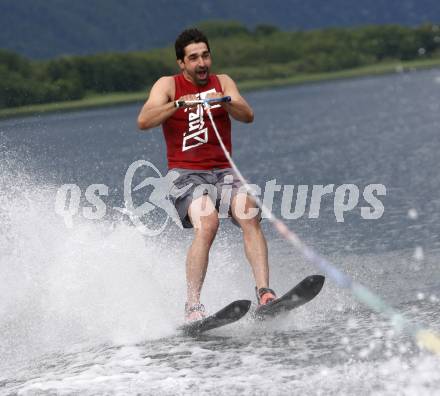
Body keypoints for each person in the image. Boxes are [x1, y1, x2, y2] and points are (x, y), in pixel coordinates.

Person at [137, 28, 276, 322]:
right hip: (185, 175)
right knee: (208, 222)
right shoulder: (168, 85)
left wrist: (223, 100)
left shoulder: (222, 82)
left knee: (248, 211)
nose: (202, 63)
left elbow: (247, 115)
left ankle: (264, 293)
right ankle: (193, 306)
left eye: (205, 55)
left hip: (223, 172)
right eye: (194, 58)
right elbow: (144, 120)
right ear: (182, 63)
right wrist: (178, 104)